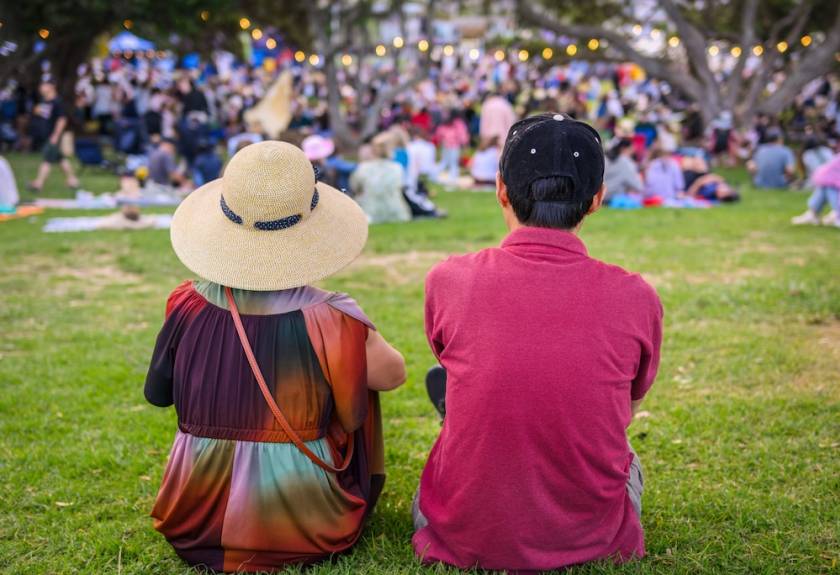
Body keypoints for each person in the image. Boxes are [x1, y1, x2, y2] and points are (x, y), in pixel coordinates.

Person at [413, 113, 663, 571]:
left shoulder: (448, 280)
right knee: (626, 453)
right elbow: (629, 401)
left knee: (463, 405)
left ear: (501, 189)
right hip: (596, 536)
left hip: (462, 529)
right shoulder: (636, 296)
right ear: (596, 200)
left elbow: (445, 352)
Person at [145, 141, 406, 572]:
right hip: (305, 520)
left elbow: (158, 394)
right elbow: (392, 375)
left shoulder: (184, 303)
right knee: (358, 375)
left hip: (193, 514)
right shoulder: (332, 317)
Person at [28, 80, 79, 193]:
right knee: (60, 159)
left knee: (47, 159)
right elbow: (40, 113)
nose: (41, 88)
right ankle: (73, 180)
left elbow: (62, 119)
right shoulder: (45, 101)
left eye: (44, 85)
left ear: (52, 87)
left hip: (53, 136)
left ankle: (38, 183)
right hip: (45, 135)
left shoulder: (57, 102)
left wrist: (55, 135)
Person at [350, 135, 412, 224]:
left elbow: (354, 187)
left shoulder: (363, 168)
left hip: (369, 213)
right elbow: (402, 187)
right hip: (396, 213)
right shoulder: (398, 168)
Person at [791, 138, 837, 225]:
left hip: (819, 181)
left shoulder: (807, 155)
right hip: (829, 181)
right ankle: (814, 213)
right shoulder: (826, 151)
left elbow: (814, 174)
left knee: (826, 185)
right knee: (827, 185)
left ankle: (814, 213)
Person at [434, 111, 469, 183]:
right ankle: (452, 178)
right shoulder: (458, 123)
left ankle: (434, 174)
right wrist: (465, 144)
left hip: (446, 145)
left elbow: (438, 134)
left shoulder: (445, 124)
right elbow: (462, 135)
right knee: (453, 162)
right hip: (454, 146)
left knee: (445, 162)